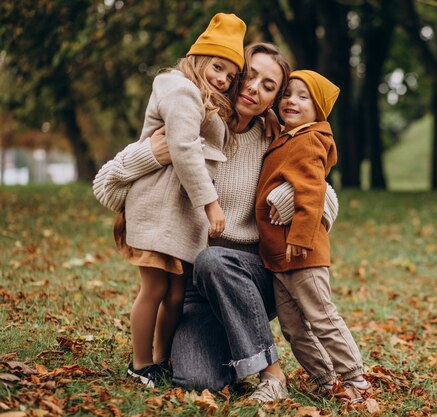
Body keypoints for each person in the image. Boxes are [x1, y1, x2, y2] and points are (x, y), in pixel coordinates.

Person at [94, 43, 338, 401]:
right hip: (196, 286)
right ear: (234, 76)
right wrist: (151, 154)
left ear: (273, 100)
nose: (255, 88)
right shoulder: (190, 124)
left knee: (215, 260)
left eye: (269, 86)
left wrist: (288, 197)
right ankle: (231, 344)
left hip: (255, 277)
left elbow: (326, 198)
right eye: (250, 76)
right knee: (197, 380)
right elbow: (106, 186)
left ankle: (272, 375)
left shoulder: (276, 139)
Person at [100, 13, 246, 387]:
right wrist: (210, 203)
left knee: (177, 292)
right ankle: (140, 363)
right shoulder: (180, 89)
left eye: (230, 75)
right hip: (159, 207)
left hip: (179, 215)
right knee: (155, 288)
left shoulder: (201, 97)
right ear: (197, 59)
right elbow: (181, 149)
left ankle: (161, 358)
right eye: (217, 67)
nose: (223, 79)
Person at [256, 70, 371, 403]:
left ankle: (356, 379)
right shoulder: (288, 136)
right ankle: (325, 378)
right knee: (292, 327)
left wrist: (301, 237)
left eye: (302, 97)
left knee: (321, 317)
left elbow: (310, 191)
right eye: (287, 94)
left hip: (302, 252)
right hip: (279, 255)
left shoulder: (310, 139)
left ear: (318, 109)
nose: (291, 101)